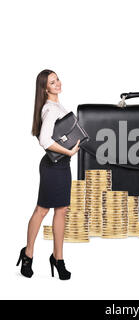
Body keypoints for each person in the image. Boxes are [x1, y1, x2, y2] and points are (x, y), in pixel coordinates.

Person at [16, 69, 80, 280]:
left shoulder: (57, 106)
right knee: (42, 210)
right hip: (53, 167)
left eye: (58, 79)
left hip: (62, 166)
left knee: (61, 211)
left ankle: (58, 259)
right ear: (45, 89)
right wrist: (68, 151)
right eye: (52, 82)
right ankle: (28, 254)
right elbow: (45, 141)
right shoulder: (50, 109)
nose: (58, 83)